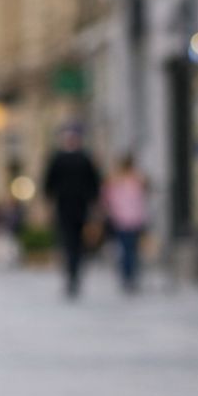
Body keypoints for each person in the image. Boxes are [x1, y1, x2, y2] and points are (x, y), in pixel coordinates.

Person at [43, 124, 101, 298]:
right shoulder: (81, 158)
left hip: (70, 206)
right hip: (74, 206)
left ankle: (73, 275)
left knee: (71, 242)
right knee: (72, 243)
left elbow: (49, 184)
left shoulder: (63, 158)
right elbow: (94, 184)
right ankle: (73, 275)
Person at [102, 154, 148, 293]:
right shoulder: (134, 181)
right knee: (130, 250)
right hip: (131, 220)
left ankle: (128, 277)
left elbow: (107, 200)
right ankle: (130, 277)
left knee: (127, 250)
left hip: (123, 219)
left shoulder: (118, 181)